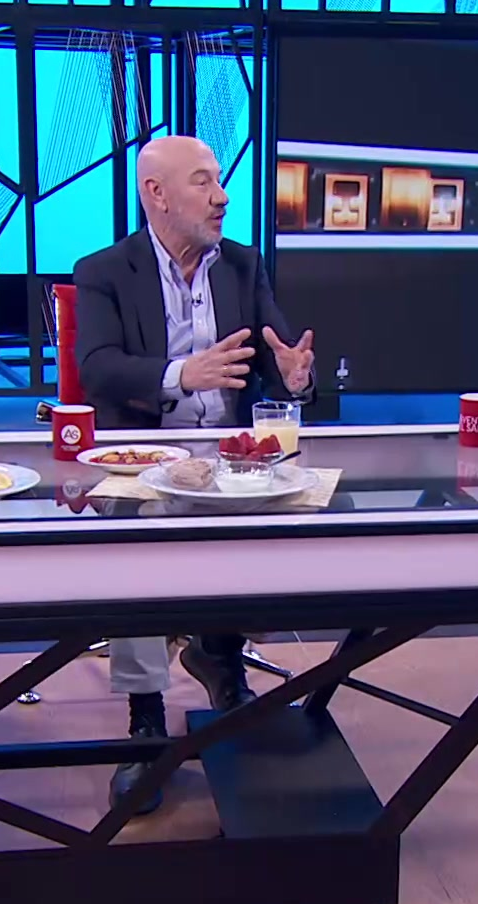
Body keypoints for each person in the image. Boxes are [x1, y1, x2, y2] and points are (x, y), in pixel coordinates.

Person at [72, 135, 316, 812]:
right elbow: (98, 368)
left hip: (230, 459)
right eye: (203, 182)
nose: (222, 197)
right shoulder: (104, 271)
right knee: (136, 554)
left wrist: (294, 376)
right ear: (156, 194)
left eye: (220, 181)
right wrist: (184, 374)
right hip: (144, 457)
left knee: (277, 518)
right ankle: (146, 718)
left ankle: (219, 653)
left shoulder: (241, 264)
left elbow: (276, 360)